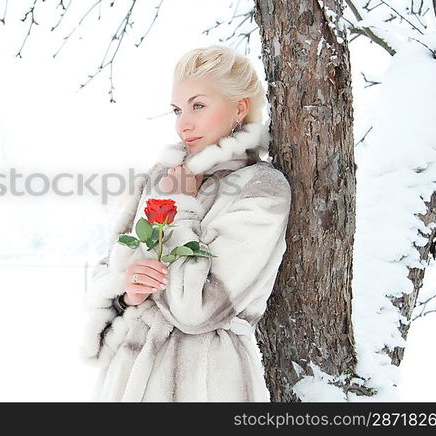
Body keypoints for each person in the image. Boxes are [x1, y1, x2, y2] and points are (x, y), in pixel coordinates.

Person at [79, 44, 292, 401]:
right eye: (177, 110)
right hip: (128, 379)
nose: (183, 123)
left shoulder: (262, 188)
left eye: (198, 105)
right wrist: (126, 291)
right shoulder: (161, 177)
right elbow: (111, 263)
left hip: (205, 381)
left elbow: (197, 310)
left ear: (239, 108)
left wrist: (179, 204)